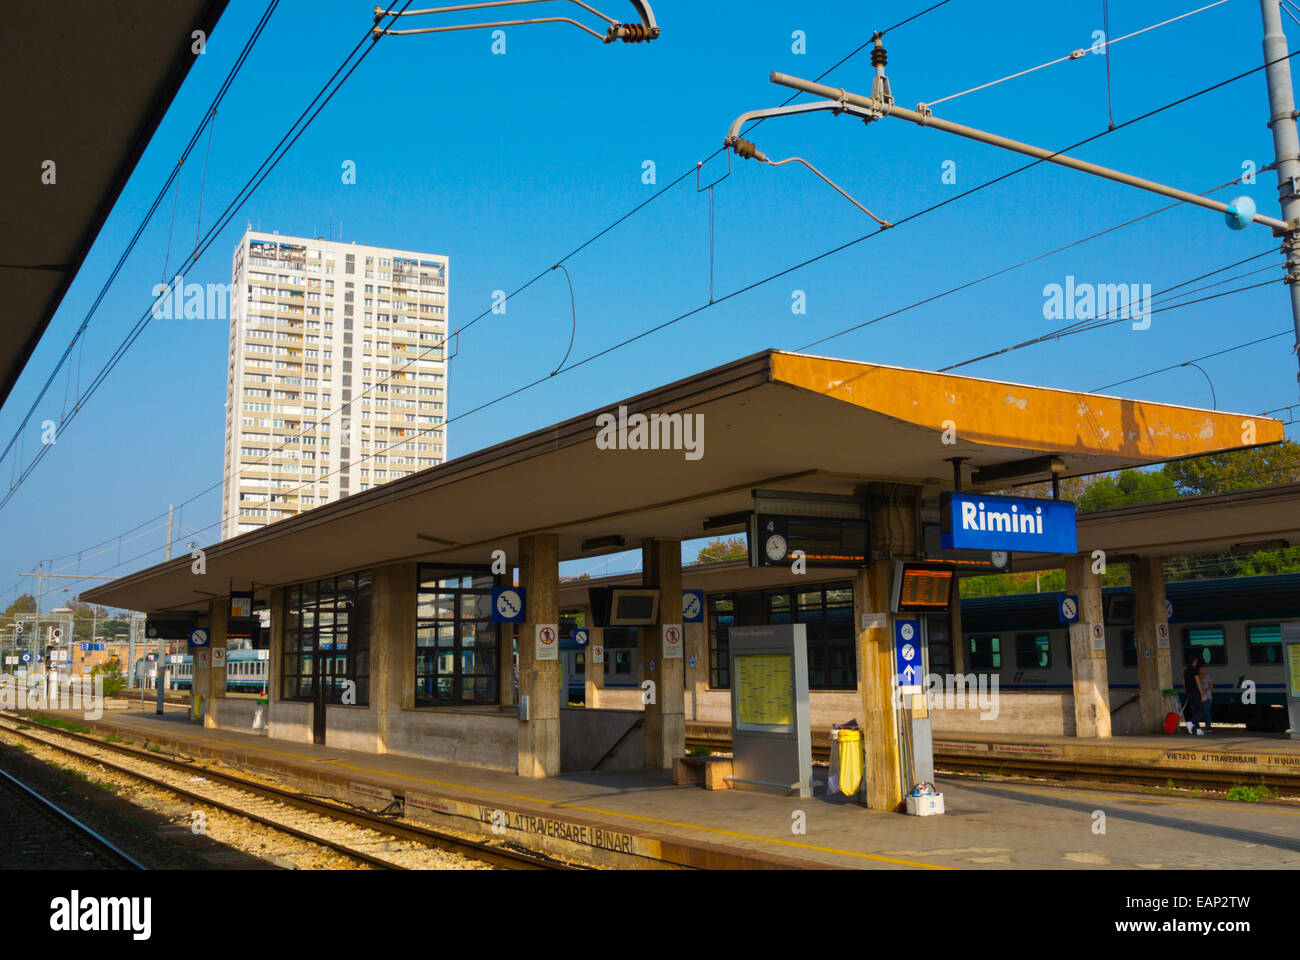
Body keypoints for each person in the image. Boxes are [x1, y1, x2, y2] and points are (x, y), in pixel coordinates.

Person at [1182, 654, 1206, 735]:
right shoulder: (1194, 670)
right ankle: (1191, 723)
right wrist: (1202, 694)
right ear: (1195, 661)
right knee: (1202, 710)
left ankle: (1198, 729)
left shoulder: (1185, 671)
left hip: (1189, 693)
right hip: (1195, 692)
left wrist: (1187, 690)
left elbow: (1183, 682)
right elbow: (1198, 682)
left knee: (1194, 711)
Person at [1200, 666, 1214, 731]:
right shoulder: (1197, 677)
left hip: (1208, 696)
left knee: (1207, 711)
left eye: (1202, 669)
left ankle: (1208, 726)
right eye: (1200, 669)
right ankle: (1208, 726)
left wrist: (1205, 690)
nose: (1201, 670)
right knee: (1206, 711)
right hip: (1202, 696)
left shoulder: (1207, 676)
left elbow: (1211, 685)